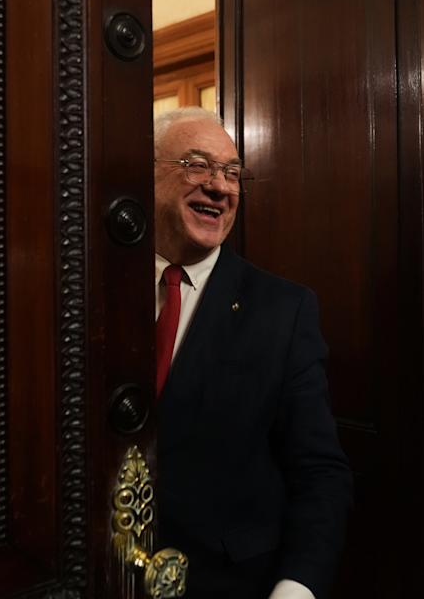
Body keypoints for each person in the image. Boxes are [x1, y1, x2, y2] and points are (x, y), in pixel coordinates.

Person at [153, 107, 352, 599]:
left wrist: (295, 588)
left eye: (232, 173)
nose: (219, 187)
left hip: (226, 584)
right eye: (197, 165)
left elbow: (319, 471)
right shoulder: (88, 287)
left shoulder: (284, 310)